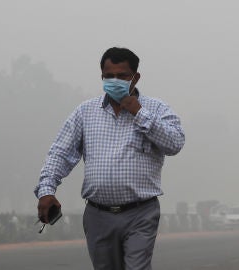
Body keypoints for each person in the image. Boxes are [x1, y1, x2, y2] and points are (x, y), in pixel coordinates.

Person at [34, 47, 185, 270]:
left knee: (137, 267)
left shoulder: (157, 109)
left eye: (122, 76)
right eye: (108, 76)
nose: (114, 81)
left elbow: (175, 143)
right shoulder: (85, 112)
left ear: (136, 77)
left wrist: (139, 112)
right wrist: (47, 190)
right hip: (98, 214)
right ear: (101, 77)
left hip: (140, 212)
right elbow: (60, 153)